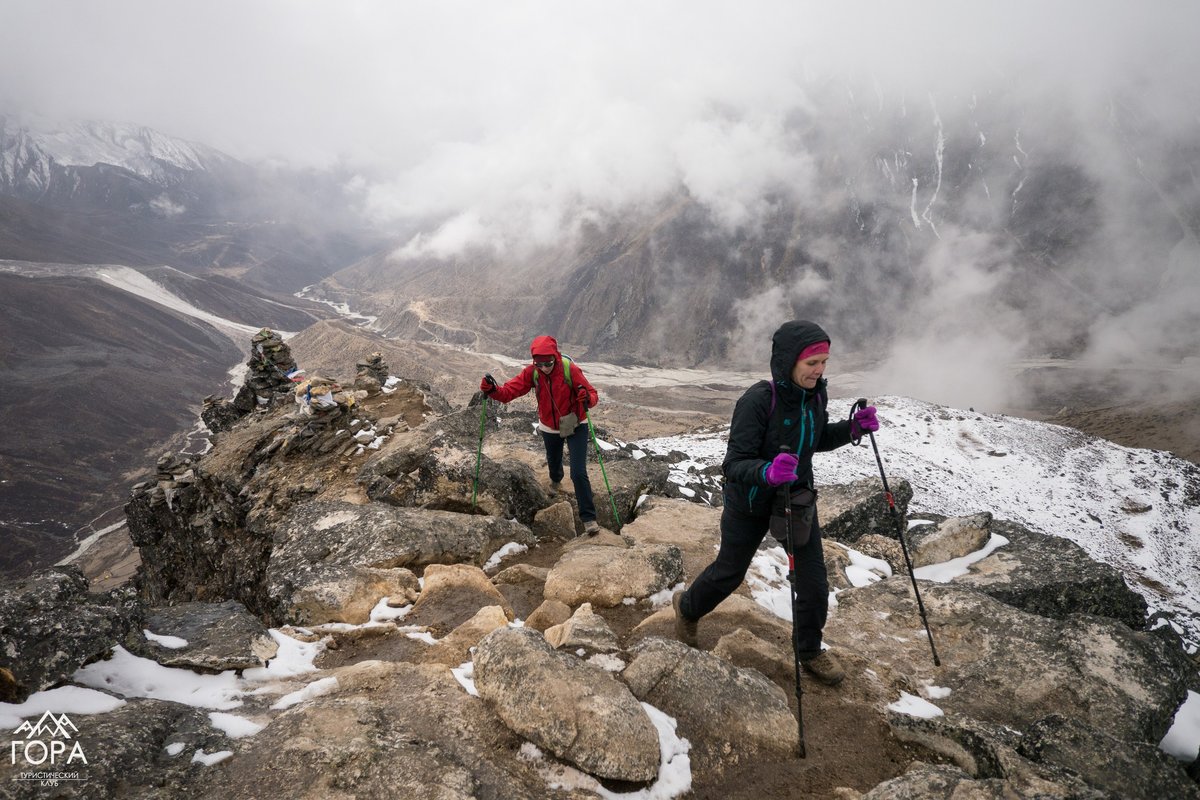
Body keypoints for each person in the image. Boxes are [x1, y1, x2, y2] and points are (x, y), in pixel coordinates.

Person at [672, 320, 879, 685]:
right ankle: (687, 609)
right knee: (729, 572)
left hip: (794, 500)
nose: (819, 370)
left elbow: (814, 441)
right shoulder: (757, 400)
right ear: (789, 362)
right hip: (749, 502)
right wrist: (767, 471)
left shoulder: (815, 396)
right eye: (812, 362)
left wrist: (851, 430)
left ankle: (810, 649)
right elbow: (734, 464)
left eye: (824, 362)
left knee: (814, 581)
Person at [481, 335, 602, 534]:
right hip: (549, 426)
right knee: (554, 464)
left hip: (574, 422)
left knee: (578, 472)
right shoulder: (532, 373)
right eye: (539, 364)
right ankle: (556, 479)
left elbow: (592, 393)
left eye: (548, 363)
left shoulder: (568, 369)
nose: (544, 368)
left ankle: (589, 519)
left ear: (555, 357)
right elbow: (509, 392)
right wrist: (493, 390)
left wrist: (587, 398)